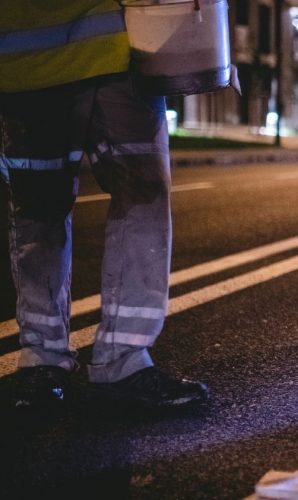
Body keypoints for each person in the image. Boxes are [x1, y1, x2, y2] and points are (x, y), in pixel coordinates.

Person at [1, 0, 208, 408]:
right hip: (30, 62)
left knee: (140, 194)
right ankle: (46, 356)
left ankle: (121, 357)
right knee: (39, 208)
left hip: (117, 50)